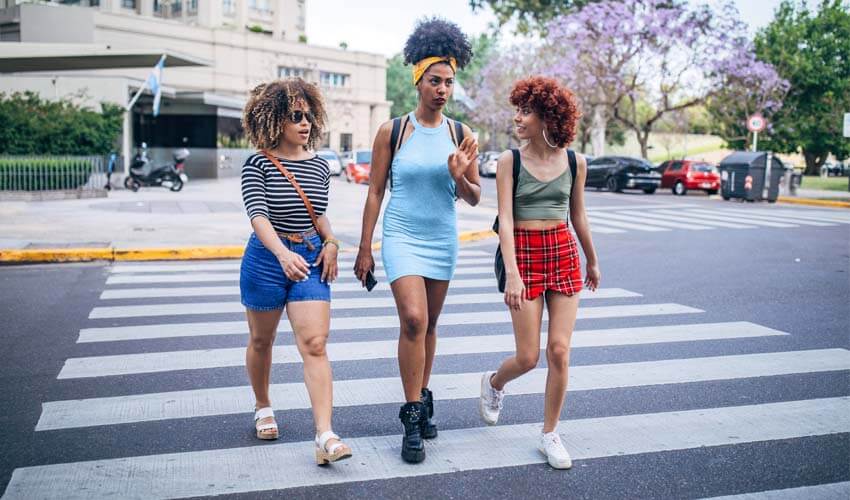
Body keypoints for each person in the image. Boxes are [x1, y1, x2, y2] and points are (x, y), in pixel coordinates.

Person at [353, 18, 481, 464]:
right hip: (402, 233)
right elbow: (374, 191)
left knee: (429, 325)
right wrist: (365, 246)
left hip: (441, 235)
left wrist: (460, 175)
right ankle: (411, 418)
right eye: (434, 80)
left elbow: (474, 198)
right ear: (418, 81)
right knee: (412, 319)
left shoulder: (461, 134)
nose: (443, 89)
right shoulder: (394, 130)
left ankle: (424, 395)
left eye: (448, 81)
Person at [478, 76, 601, 469]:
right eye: (517, 110)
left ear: (548, 116)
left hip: (563, 251)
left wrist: (593, 259)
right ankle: (495, 383)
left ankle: (550, 433)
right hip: (525, 256)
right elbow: (507, 222)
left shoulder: (573, 161)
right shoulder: (508, 161)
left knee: (559, 351)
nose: (517, 118)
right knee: (529, 356)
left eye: (525, 111)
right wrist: (512, 273)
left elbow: (577, 213)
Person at [239, 78, 351, 465]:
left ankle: (325, 434)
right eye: (295, 116)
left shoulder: (319, 166)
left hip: (310, 256)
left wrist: (333, 241)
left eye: (308, 116)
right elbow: (258, 215)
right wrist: (282, 254)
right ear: (273, 120)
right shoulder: (258, 162)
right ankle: (262, 404)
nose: (304, 123)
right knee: (261, 341)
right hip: (268, 260)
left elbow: (317, 214)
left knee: (315, 344)